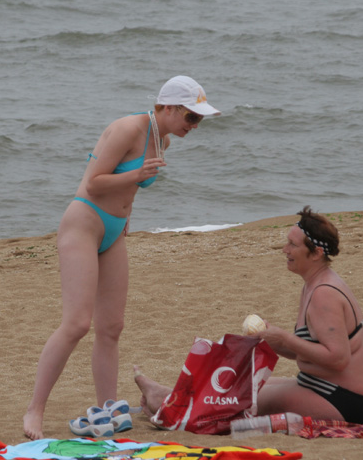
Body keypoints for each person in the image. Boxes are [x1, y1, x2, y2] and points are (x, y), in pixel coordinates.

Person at [23, 76, 221, 439]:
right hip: (83, 223)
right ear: (169, 107)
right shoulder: (128, 128)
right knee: (77, 324)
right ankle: (34, 411)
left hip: (114, 231)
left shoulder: (162, 139)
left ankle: (107, 407)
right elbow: (93, 182)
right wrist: (137, 174)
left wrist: (127, 215)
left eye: (199, 120)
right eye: (191, 118)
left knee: (112, 326)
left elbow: (130, 186)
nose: (194, 126)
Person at [134, 206, 363, 425]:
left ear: (316, 253)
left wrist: (286, 339)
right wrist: (274, 342)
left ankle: (164, 400)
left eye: (292, 244)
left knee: (237, 401)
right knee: (244, 386)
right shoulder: (315, 283)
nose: (284, 249)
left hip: (349, 401)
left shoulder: (324, 294)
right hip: (329, 388)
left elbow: (338, 358)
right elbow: (311, 351)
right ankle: (170, 395)